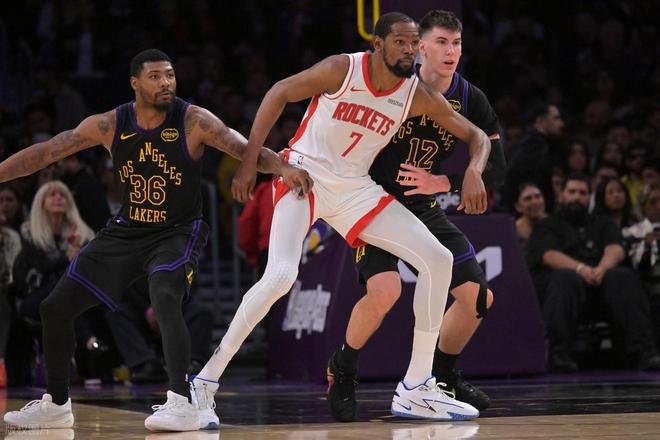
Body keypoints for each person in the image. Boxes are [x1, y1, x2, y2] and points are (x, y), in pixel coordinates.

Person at [191, 12, 490, 425]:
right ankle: (205, 382)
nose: (408, 50)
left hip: (355, 189)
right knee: (280, 276)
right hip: (304, 176)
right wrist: (249, 162)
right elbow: (279, 92)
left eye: (412, 44)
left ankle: (417, 388)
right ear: (378, 45)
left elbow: (477, 136)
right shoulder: (342, 69)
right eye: (400, 42)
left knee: (438, 259)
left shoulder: (415, 94)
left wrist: (473, 170)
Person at [1, 48, 312, 432]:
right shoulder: (111, 124)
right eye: (155, 77)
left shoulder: (193, 120)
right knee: (54, 308)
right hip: (128, 229)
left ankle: (181, 402)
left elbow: (243, 148)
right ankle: (56, 404)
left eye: (170, 75)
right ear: (135, 83)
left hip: (177, 231)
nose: (166, 83)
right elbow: (48, 151)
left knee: (164, 295)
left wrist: (282, 167)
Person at [323, 10, 504, 422]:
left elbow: (496, 161)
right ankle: (343, 368)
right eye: (442, 42)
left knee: (478, 298)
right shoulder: (395, 84)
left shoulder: (470, 98)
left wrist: (450, 180)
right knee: (385, 291)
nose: (451, 51)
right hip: (371, 200)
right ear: (421, 47)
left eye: (457, 43)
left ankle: (440, 379)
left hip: (421, 205)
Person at [527, 173, 660, 372]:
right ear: (562, 195)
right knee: (565, 277)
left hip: (601, 287)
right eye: (572, 192)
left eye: (582, 193)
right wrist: (581, 269)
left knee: (623, 275)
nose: (577, 197)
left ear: (589, 197)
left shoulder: (601, 222)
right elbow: (548, 255)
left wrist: (601, 269)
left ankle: (644, 352)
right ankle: (558, 354)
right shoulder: (548, 224)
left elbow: (616, 248)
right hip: (564, 291)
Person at [514, 182, 547, 256]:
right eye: (528, 199)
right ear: (518, 206)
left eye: (538, 196)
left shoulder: (557, 225)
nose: (534, 202)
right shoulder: (512, 231)